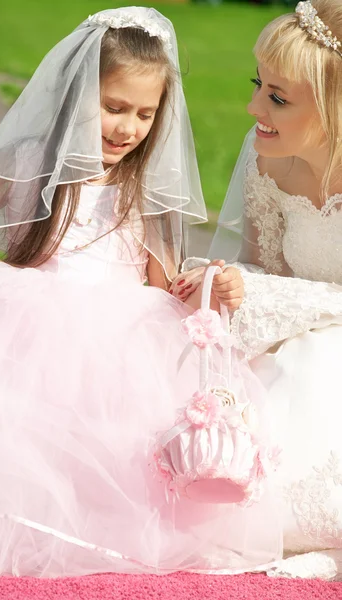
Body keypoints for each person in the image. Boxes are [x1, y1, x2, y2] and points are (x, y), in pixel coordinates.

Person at [0, 7, 277, 578]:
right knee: (13, 427)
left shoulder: (140, 185)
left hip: (120, 337)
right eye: (114, 107)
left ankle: (92, 524)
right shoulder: (23, 162)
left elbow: (161, 284)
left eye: (145, 115)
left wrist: (198, 286)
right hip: (24, 324)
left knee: (109, 439)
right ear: (76, 93)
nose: (128, 128)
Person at [172, 0, 342, 580]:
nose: (253, 109)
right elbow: (267, 270)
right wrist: (228, 286)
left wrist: (276, 300)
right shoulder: (271, 163)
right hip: (306, 334)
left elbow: (290, 296)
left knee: (318, 363)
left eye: (278, 97)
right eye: (258, 85)